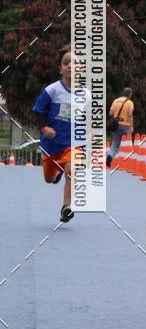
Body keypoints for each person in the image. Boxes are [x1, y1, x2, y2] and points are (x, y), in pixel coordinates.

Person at [32, 44, 85, 223]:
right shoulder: (52, 90)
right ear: (60, 69)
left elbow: (90, 119)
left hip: (73, 142)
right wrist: (45, 128)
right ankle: (57, 173)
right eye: (66, 63)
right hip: (51, 145)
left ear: (81, 68)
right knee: (49, 179)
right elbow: (39, 111)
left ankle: (66, 207)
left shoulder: (86, 95)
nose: (70, 66)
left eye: (75, 63)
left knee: (72, 168)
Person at [106, 87, 134, 167]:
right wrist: (131, 126)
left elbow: (110, 113)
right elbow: (130, 114)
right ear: (130, 94)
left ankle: (109, 156)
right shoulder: (129, 102)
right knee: (127, 143)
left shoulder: (115, 101)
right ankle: (128, 162)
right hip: (126, 125)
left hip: (116, 125)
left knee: (115, 144)